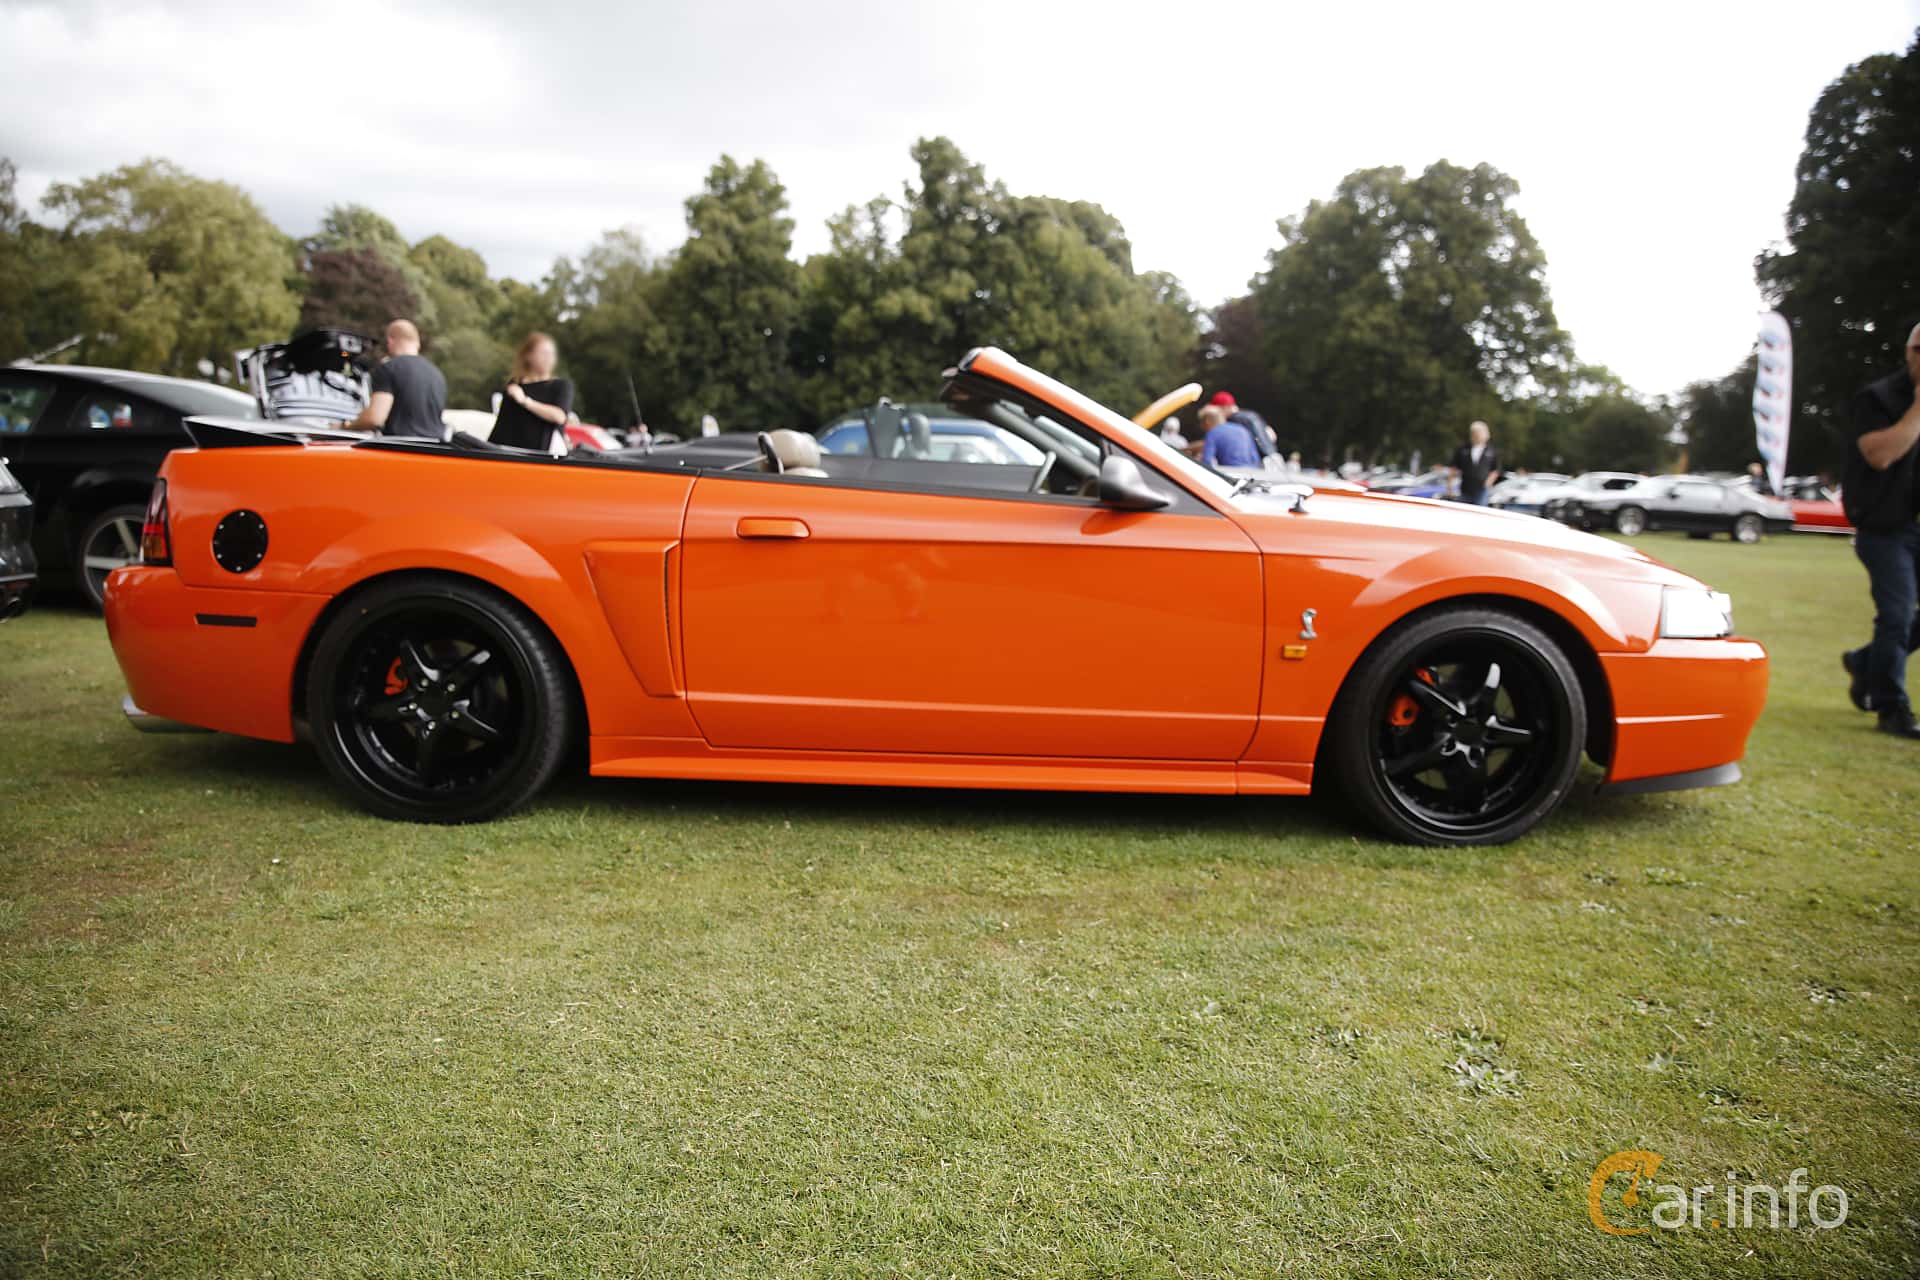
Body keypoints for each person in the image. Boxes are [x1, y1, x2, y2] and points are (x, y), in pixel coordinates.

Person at [1839, 320, 1920, 740]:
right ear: (1910, 351)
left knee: (1904, 620)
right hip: (1883, 528)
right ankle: (1892, 708)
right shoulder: (1878, 398)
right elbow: (1880, 455)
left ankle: (1865, 663)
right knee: (1897, 615)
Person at [341, 319, 447, 439]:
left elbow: (375, 418)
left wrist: (345, 427)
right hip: (434, 450)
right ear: (417, 343)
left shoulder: (389, 368)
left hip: (401, 450)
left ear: (390, 340)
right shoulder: (437, 374)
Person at [491, 332, 575, 452]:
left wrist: (525, 401)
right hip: (509, 454)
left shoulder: (561, 385)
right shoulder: (515, 385)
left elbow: (559, 416)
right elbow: (502, 427)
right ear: (528, 355)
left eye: (552, 354)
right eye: (544, 353)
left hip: (542, 457)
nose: (549, 358)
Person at [1208, 390, 1278, 459]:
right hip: (1274, 457)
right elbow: (1272, 435)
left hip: (1259, 461)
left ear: (1224, 407)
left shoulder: (1232, 421)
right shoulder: (1252, 414)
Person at [1450, 421, 1501, 505]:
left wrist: (1487, 484)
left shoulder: (1492, 450)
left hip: (1482, 490)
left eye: (1479, 433)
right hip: (1465, 488)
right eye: (1475, 433)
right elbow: (1454, 468)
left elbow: (1495, 470)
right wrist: (1450, 487)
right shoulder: (1463, 449)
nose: (1477, 436)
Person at [1199, 404, 1260, 469]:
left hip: (1230, 472)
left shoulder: (1213, 433)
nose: (1201, 426)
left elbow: (1207, 461)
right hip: (1253, 471)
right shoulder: (1242, 429)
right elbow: (1255, 457)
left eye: (1201, 422)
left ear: (1207, 421)